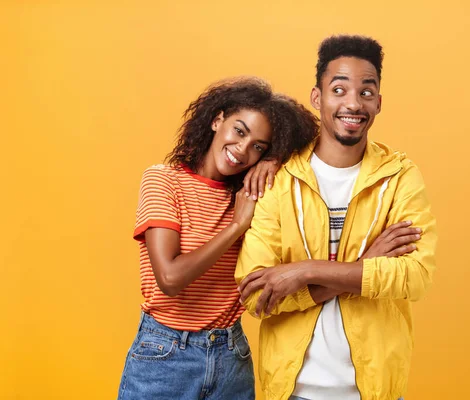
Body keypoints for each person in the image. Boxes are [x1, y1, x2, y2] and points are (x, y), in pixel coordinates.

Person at [236, 35, 438, 400]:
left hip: (375, 391)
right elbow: (256, 293)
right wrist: (365, 266)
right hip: (292, 391)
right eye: (339, 89)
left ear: (378, 102)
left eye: (365, 92)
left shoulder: (400, 177)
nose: (353, 103)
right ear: (318, 98)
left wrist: (303, 271)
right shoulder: (279, 179)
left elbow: (415, 276)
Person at [117, 76, 319, 400]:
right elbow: (170, 277)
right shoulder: (164, 181)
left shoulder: (250, 194)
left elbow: (321, 146)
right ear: (216, 120)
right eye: (240, 131)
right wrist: (237, 226)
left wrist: (275, 158)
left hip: (231, 355)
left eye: (258, 146)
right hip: (165, 355)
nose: (243, 150)